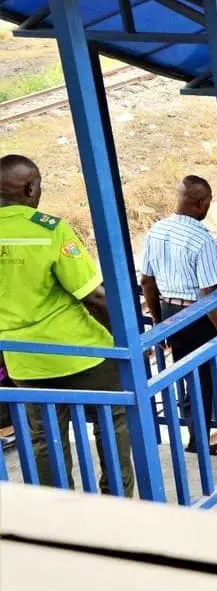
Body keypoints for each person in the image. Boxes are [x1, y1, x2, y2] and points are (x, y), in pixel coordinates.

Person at [0, 154, 134, 496]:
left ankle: (59, 511)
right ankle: (117, 500)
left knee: (45, 438)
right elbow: (95, 297)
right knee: (114, 420)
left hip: (24, 361)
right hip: (81, 352)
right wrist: (125, 342)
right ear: (31, 187)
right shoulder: (49, 229)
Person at [141, 175, 217, 457]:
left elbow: (147, 282)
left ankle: (197, 439)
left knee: (191, 378)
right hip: (201, 315)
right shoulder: (202, 239)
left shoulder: (156, 231)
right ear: (202, 203)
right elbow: (209, 293)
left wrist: (158, 321)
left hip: (170, 312)